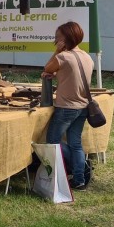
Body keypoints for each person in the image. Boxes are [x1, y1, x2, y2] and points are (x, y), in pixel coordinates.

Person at [41, 22, 94, 191]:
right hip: (83, 106)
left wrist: (57, 52)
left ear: (66, 38)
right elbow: (72, 74)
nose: (56, 41)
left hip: (66, 108)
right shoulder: (86, 56)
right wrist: (58, 74)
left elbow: (47, 68)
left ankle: (81, 166)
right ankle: (79, 179)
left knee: (53, 141)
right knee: (75, 144)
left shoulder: (63, 57)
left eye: (58, 37)